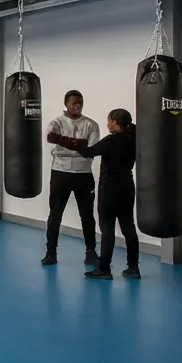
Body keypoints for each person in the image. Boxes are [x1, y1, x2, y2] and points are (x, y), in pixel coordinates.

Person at [63, 109, 141, 280]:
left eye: (109, 121)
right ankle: (133, 268)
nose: (107, 125)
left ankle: (104, 269)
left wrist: (73, 143)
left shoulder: (111, 141)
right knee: (128, 225)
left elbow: (88, 152)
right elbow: (133, 127)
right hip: (127, 186)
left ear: (114, 121)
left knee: (107, 229)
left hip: (110, 189)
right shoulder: (134, 137)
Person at [42, 89, 100, 268]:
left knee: (87, 215)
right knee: (55, 214)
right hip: (60, 172)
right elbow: (51, 137)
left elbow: (91, 149)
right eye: (74, 102)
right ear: (66, 104)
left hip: (83, 174)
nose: (78, 105)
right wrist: (77, 144)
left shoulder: (91, 125)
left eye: (80, 102)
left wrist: (64, 142)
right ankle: (51, 252)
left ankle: (91, 252)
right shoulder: (57, 122)